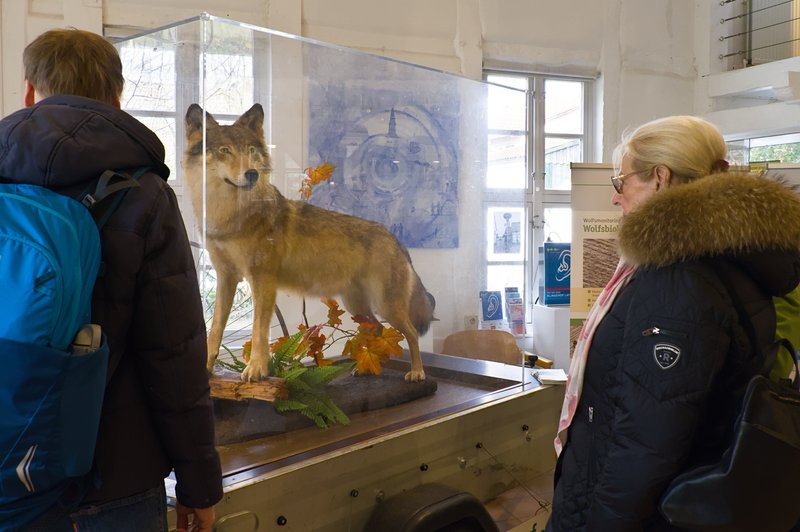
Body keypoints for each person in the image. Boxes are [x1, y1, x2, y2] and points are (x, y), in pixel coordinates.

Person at [0, 28, 222, 531]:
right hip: (114, 479)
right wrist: (198, 484)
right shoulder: (143, 192)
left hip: (9, 469)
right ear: (118, 97)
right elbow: (175, 355)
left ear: (30, 90)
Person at [547, 115, 800, 530]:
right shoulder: (726, 257)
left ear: (661, 178)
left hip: (650, 513)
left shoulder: (677, 279)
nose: (616, 198)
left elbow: (645, 443)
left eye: (621, 182)